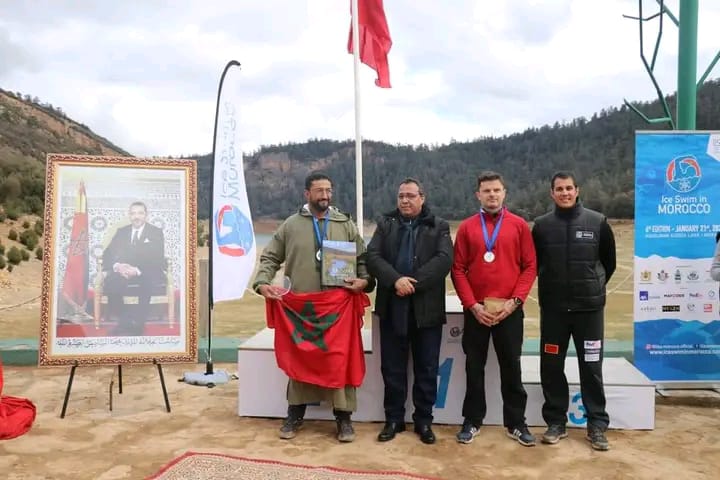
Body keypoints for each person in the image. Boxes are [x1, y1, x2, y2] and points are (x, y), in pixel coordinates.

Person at [252, 172, 374, 443]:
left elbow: (362, 259)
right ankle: (295, 414)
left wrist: (364, 280)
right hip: (302, 309)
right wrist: (262, 282)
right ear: (307, 194)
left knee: (340, 360)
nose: (325, 196)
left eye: (329, 190)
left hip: (337, 307)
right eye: (319, 191)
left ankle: (344, 417)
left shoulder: (345, 224)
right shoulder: (291, 225)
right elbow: (270, 257)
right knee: (301, 358)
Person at [531, 171, 616, 452]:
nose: (565, 193)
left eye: (569, 188)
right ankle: (556, 422)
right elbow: (535, 264)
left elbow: (609, 263)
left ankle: (597, 424)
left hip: (589, 311)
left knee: (591, 367)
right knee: (551, 366)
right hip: (554, 311)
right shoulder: (541, 226)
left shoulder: (598, 221)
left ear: (577, 190)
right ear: (551, 193)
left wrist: (592, 286)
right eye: (559, 189)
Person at [451, 171, 537, 447]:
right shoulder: (467, 228)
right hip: (477, 312)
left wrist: (516, 301)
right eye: (487, 191)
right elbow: (458, 269)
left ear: (504, 193)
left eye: (496, 190)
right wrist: (472, 305)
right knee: (474, 367)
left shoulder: (519, 225)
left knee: (511, 367)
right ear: (478, 195)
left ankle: (516, 423)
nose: (492, 195)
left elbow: (530, 267)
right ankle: (472, 420)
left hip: (509, 311)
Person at [366, 178, 453, 445]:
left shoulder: (438, 226)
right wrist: (396, 280)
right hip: (393, 307)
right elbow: (373, 257)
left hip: (426, 310)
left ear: (422, 198)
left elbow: (444, 260)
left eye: (410, 196)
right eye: (401, 196)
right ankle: (393, 419)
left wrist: (412, 283)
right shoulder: (385, 224)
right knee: (392, 368)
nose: (405, 200)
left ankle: (423, 421)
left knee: (427, 368)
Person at [102, 201, 166, 336]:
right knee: (111, 282)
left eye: (140, 213)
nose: (136, 217)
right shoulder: (122, 232)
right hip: (124, 271)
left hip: (146, 271)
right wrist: (118, 266)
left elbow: (157, 258)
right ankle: (124, 322)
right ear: (129, 215)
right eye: (133, 213)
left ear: (146, 215)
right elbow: (108, 254)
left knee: (147, 281)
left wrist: (136, 270)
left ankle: (138, 325)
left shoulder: (155, 232)